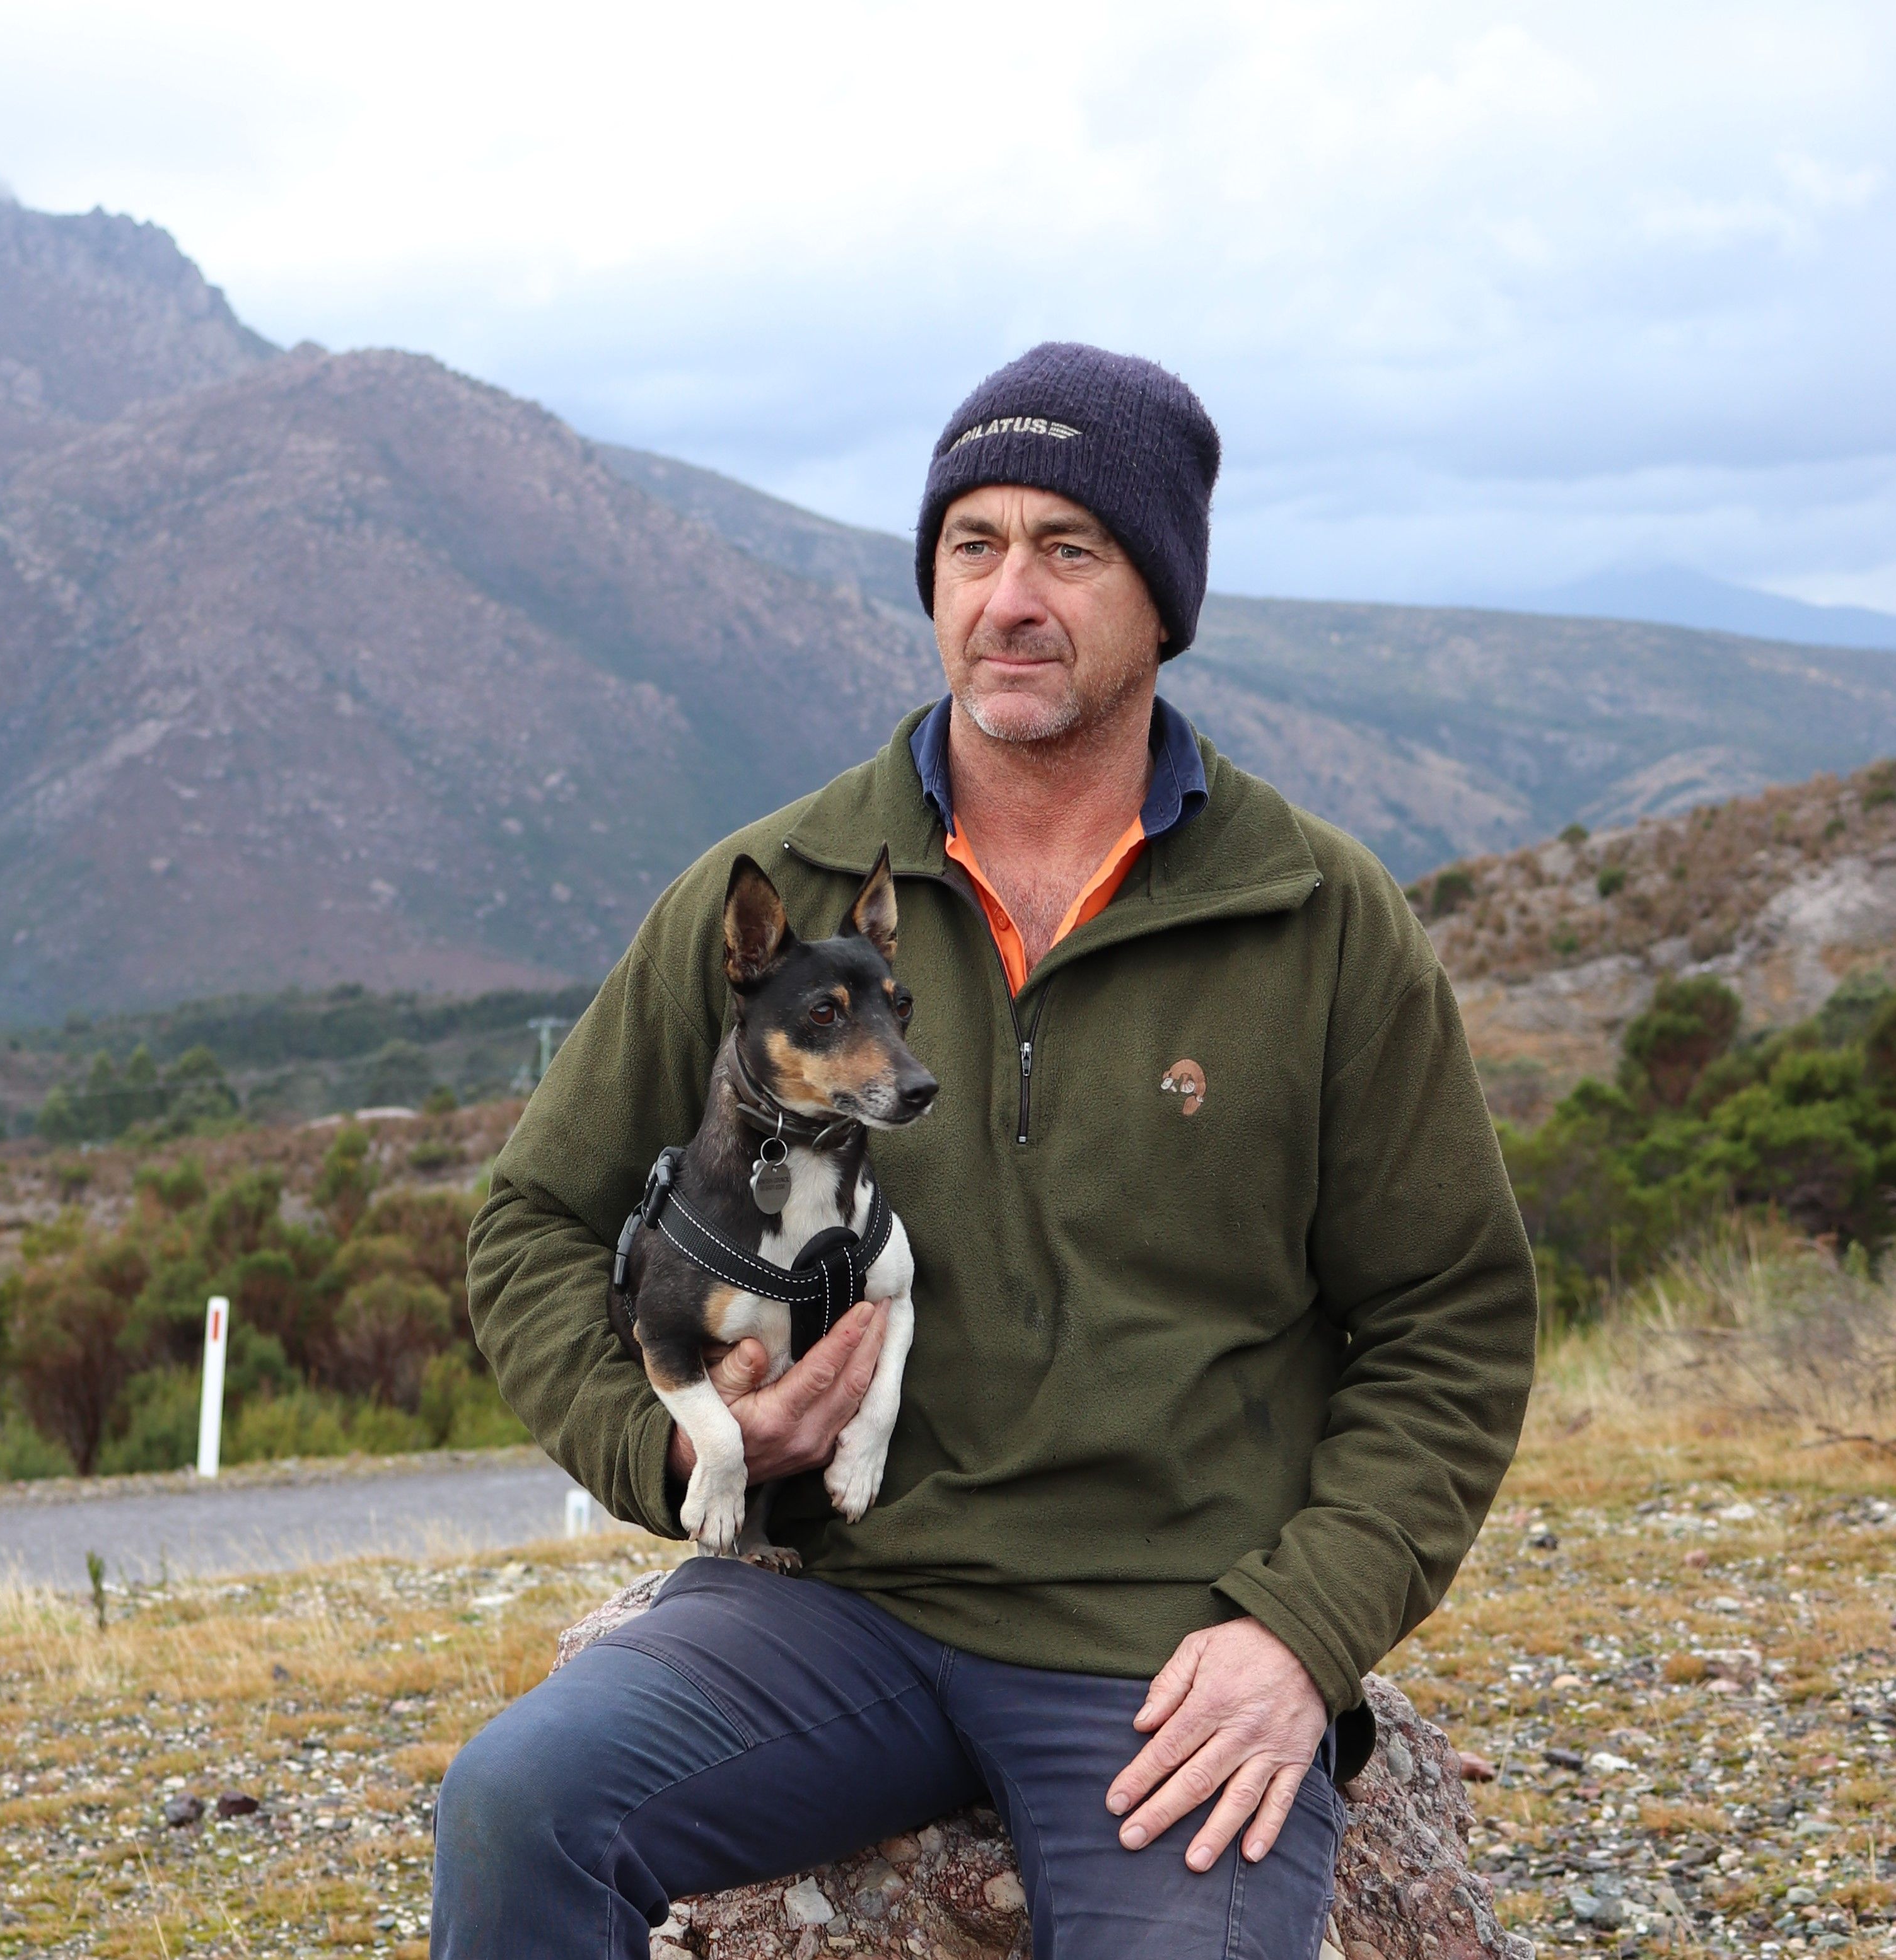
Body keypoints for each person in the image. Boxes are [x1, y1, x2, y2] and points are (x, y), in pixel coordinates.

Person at [436, 343, 1537, 1959]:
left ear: (1161, 598)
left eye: (1069, 548)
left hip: (1161, 1647)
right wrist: (665, 1449)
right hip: (824, 1607)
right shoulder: (773, 890)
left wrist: (1302, 1631)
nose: (1009, 595)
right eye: (973, 544)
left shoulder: (1316, 919)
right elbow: (530, 1217)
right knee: (518, 1803)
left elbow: (1450, 1322)